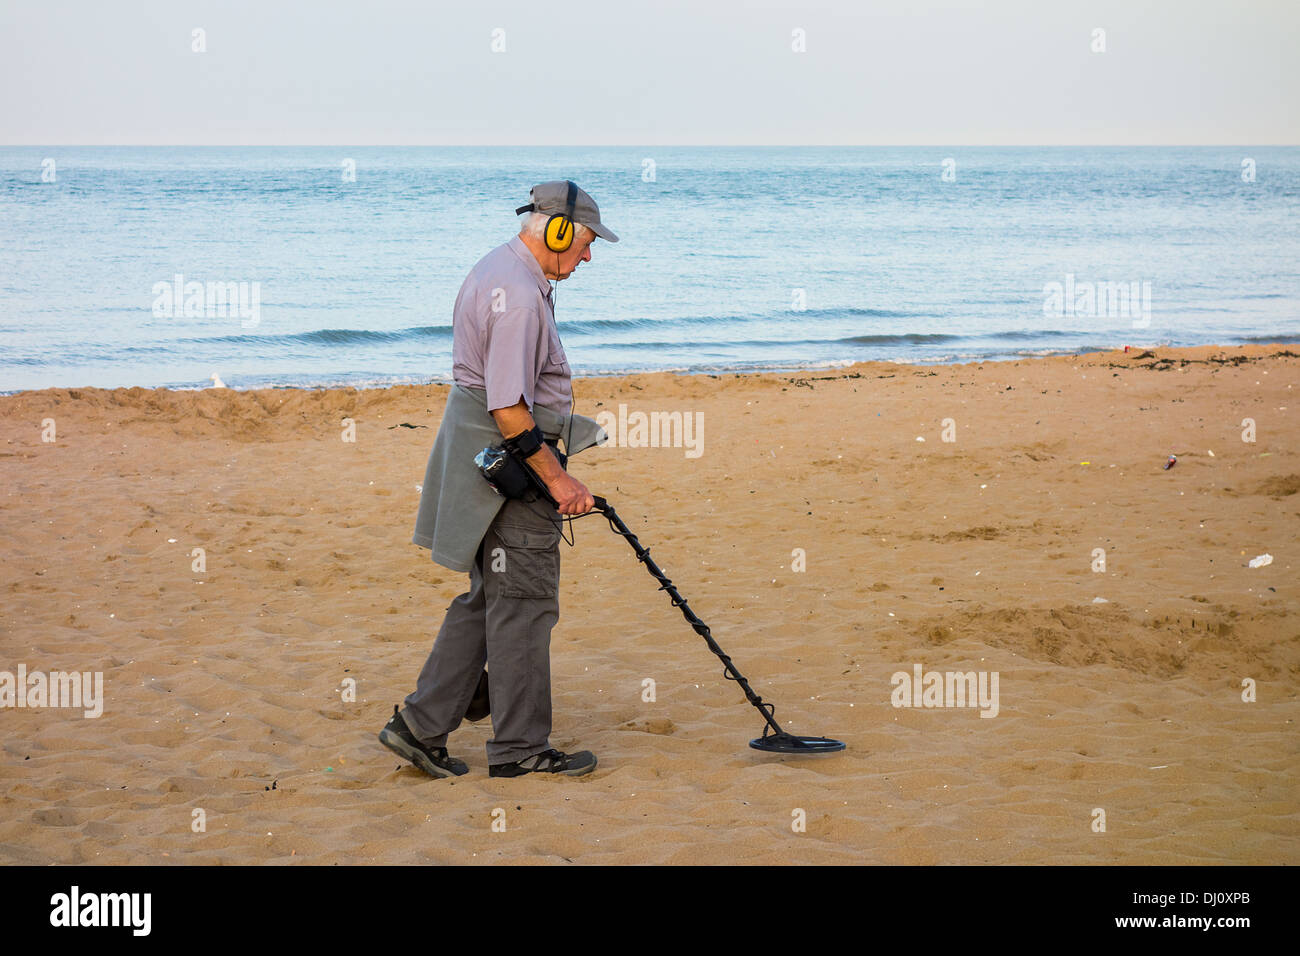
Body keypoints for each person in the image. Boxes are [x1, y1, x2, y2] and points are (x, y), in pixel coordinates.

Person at [379, 180, 617, 778]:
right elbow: (509, 409)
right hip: (512, 464)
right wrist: (560, 481)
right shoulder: (520, 296)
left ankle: (419, 725)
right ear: (559, 231)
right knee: (526, 606)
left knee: (489, 598)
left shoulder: (497, 270)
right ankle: (520, 751)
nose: (588, 256)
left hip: (485, 458)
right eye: (586, 242)